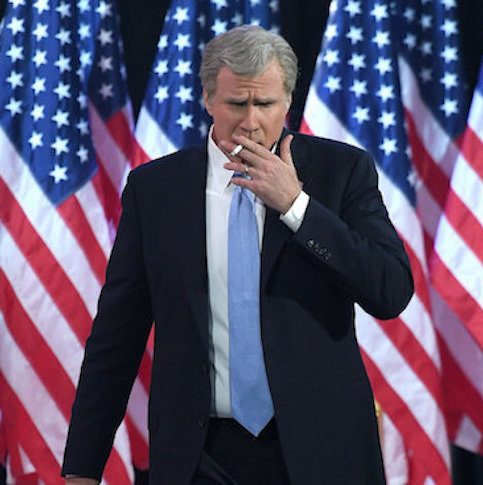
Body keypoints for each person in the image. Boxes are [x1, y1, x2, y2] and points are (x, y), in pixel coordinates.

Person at [62, 25, 413, 485]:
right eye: (236, 104)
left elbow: (389, 290)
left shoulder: (341, 172)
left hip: (320, 451)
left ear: (287, 102)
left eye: (264, 104)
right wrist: (82, 468)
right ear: (207, 99)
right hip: (199, 455)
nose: (250, 121)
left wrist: (296, 206)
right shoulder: (156, 191)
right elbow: (116, 336)